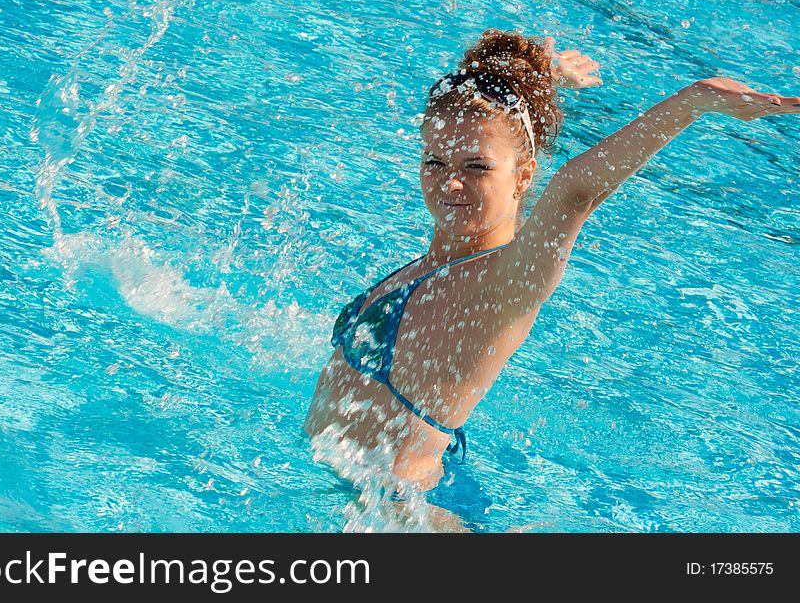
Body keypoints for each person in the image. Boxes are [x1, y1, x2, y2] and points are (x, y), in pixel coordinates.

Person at [303, 29, 800, 499]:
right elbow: (477, 110)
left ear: (523, 176)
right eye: (435, 162)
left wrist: (696, 101)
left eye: (476, 166)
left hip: (405, 517)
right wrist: (541, 77)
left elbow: (574, 192)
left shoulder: (506, 281)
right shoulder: (438, 261)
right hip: (344, 490)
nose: (449, 183)